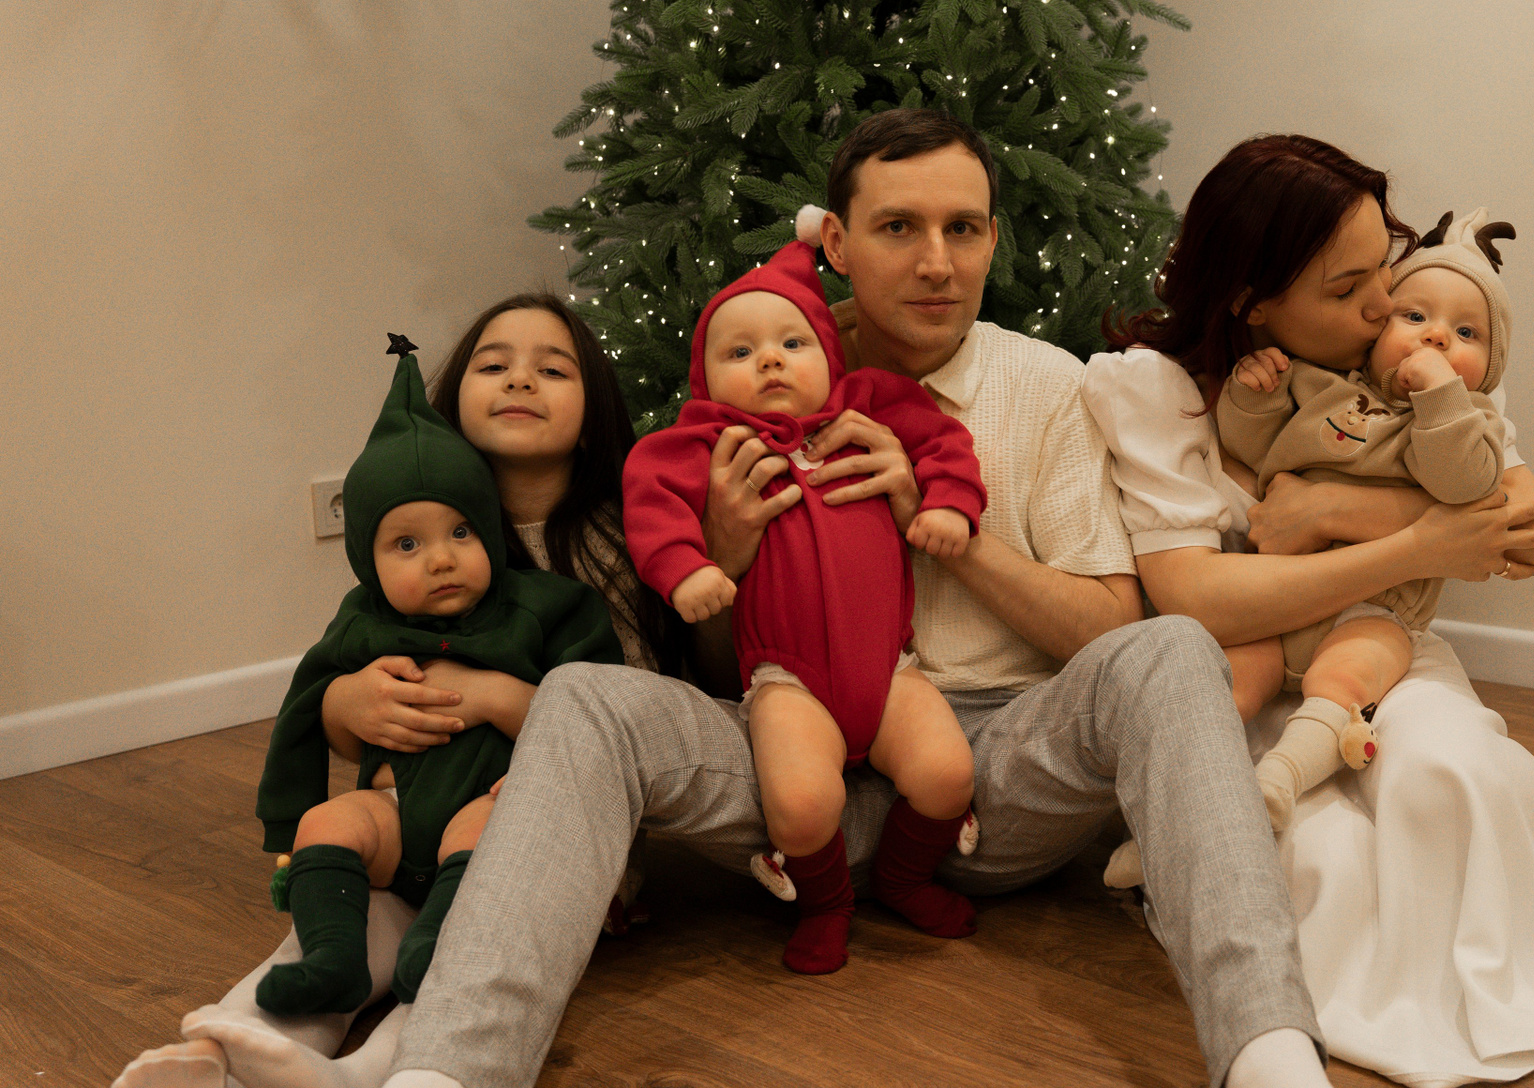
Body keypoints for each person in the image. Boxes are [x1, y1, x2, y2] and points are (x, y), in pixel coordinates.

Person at [362, 108, 1463, 1088]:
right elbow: (709, 670)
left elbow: (1111, 630)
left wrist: (950, 533)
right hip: (787, 766)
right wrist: (729, 555)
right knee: (585, 698)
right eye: (899, 227)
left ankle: (1267, 1049)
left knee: (1172, 648)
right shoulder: (746, 370)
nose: (938, 262)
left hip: (991, 775)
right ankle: (450, 1065)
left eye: (964, 228)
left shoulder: (1047, 386)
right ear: (837, 243)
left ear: (992, 238)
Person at [1082, 133, 1534, 1086]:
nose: (1383, 306)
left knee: (1450, 781)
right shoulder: (1159, 391)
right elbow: (1196, 598)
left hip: (1377, 637)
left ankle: (1510, 972)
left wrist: (1335, 511)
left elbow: (1527, 526)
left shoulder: (1414, 354)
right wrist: (1427, 540)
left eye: (1380, 269)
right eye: (1349, 290)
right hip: (1243, 661)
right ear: (1252, 302)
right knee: (1326, 862)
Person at [116, 296, 679, 1088]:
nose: (520, 379)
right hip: (407, 816)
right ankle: (230, 1049)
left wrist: (488, 696)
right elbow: (334, 696)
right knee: (338, 926)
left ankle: (375, 1070)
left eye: (552, 369)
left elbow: (628, 722)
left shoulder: (614, 547)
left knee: (463, 949)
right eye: (494, 364)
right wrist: (346, 704)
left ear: (593, 415)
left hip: (540, 833)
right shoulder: (410, 532)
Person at [624, 229, 987, 973]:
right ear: (704, 379)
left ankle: (904, 878)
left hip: (889, 669)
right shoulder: (706, 440)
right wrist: (685, 567)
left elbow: (944, 442)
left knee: (949, 775)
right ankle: (826, 904)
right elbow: (649, 493)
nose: (770, 361)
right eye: (740, 352)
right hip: (788, 679)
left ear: (829, 355)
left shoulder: (870, 407)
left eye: (793, 343)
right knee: (798, 806)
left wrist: (950, 503)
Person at [252, 335, 622, 1015]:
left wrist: (504, 703)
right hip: (392, 812)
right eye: (406, 544)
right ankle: (333, 959)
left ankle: (436, 949)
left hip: (492, 803)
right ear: (366, 562)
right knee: (329, 822)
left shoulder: (543, 607)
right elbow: (305, 711)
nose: (441, 560)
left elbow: (600, 711)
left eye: (461, 533)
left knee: (488, 830)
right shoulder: (361, 622)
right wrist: (338, 712)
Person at [1213, 207, 1520, 836]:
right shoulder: (1323, 386)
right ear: (1378, 330)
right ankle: (1185, 802)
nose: (1437, 338)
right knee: (1232, 679)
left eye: (1466, 332)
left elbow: (1464, 484)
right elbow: (1255, 447)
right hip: (1282, 593)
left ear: (1490, 368)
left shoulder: (1472, 421)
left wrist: (1441, 395)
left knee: (1345, 676)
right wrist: (1252, 395)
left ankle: (1278, 782)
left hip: (1376, 609)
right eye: (1416, 317)